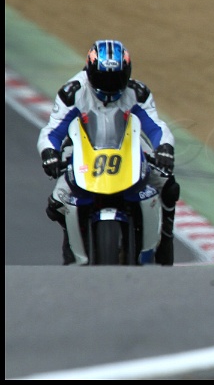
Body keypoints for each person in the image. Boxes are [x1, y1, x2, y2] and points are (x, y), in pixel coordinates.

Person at [38, 39, 180, 266]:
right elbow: (52, 131)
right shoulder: (72, 93)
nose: (110, 85)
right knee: (57, 204)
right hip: (83, 150)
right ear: (90, 72)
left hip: (128, 146)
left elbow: (156, 126)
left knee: (168, 185)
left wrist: (164, 148)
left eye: (117, 78)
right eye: (104, 78)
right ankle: (71, 247)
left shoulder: (137, 93)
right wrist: (49, 153)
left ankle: (166, 236)